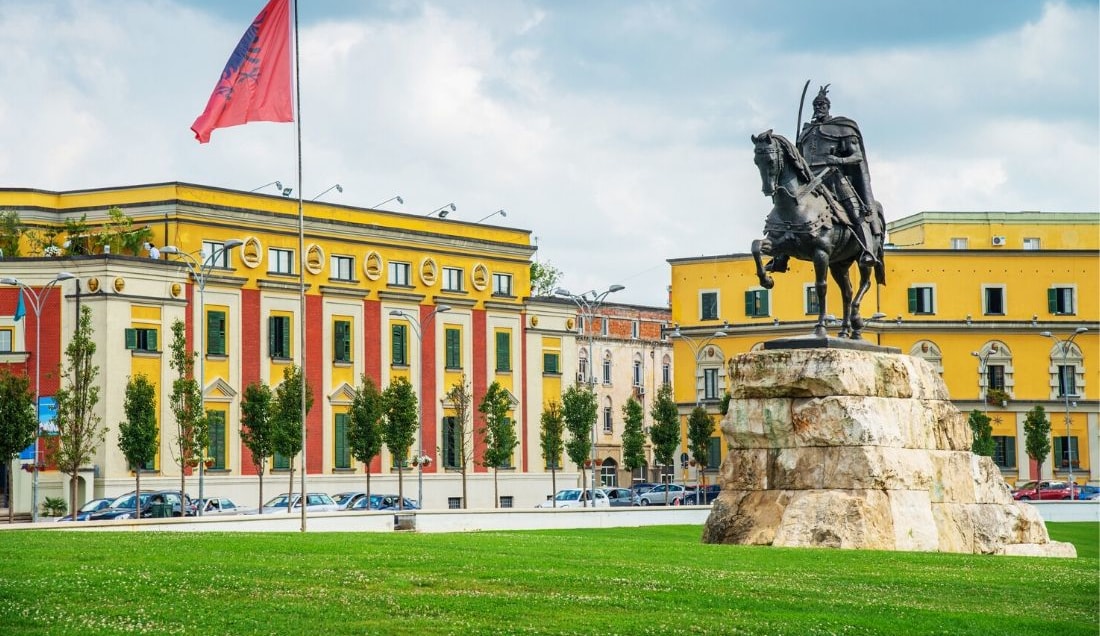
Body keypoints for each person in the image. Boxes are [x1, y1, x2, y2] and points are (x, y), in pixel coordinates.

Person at [796, 85, 879, 266]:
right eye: (816, 105)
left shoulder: (842, 128)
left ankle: (867, 250)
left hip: (833, 177)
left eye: (822, 104)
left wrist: (837, 160)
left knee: (856, 211)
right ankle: (781, 256)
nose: (819, 108)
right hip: (809, 181)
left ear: (828, 106)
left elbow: (856, 156)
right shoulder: (806, 132)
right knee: (790, 205)